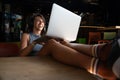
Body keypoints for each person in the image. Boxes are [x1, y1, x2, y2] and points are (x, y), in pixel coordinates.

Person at [33, 36, 120, 80]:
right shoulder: (28, 35)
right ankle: (68, 45)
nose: (41, 23)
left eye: (42, 21)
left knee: (51, 43)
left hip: (109, 67)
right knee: (51, 43)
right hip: (109, 64)